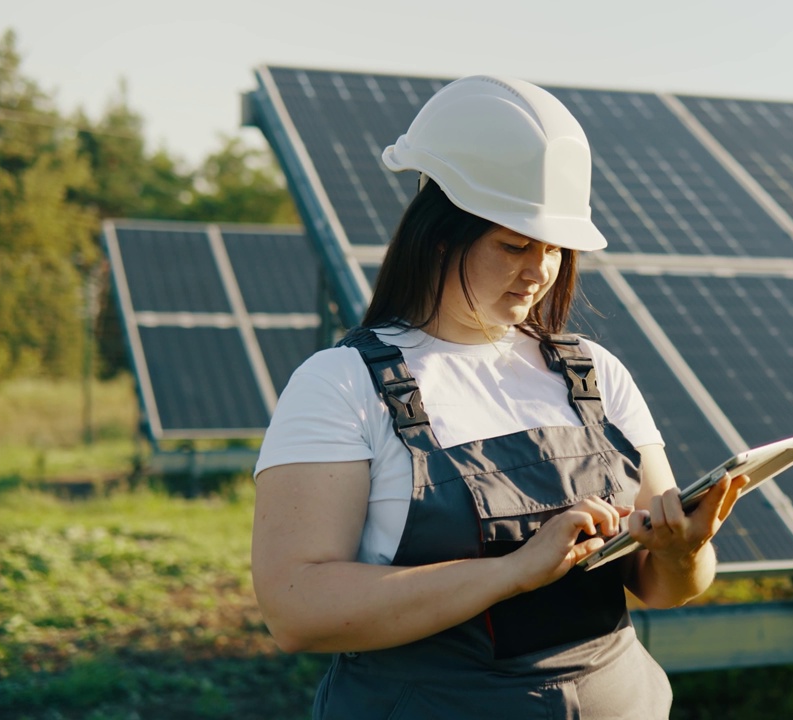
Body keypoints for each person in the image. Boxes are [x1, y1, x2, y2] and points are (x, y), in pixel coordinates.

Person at [251, 75, 747, 719]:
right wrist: (514, 572)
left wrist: (684, 552)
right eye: (514, 245)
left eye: (554, 249)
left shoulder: (592, 373)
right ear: (439, 235)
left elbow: (663, 586)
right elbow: (297, 609)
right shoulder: (341, 384)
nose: (539, 271)